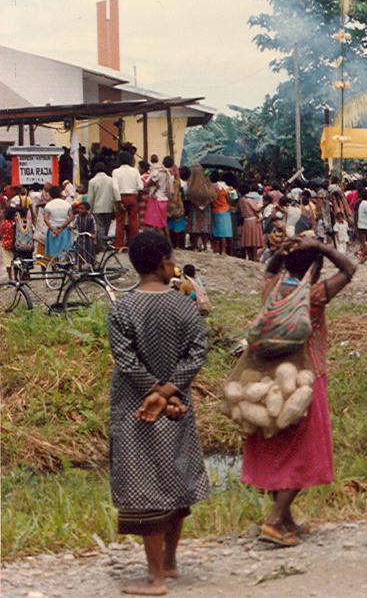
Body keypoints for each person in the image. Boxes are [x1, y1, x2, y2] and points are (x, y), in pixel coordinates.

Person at [107, 231, 210, 595]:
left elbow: (126, 359)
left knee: (145, 485)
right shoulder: (185, 304)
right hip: (177, 406)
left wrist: (154, 392)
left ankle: (155, 579)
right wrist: (170, 391)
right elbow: (198, 352)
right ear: (164, 262)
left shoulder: (122, 307)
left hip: (136, 408)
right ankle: (170, 563)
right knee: (174, 477)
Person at [243, 236, 356, 546]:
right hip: (305, 378)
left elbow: (269, 270)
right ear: (316, 268)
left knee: (278, 446)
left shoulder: (273, 288)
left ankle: (287, 519)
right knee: (304, 450)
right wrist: (323, 249)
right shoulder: (314, 294)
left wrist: (281, 253)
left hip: (269, 379)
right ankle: (275, 522)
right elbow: (350, 269)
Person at [113, 152, 143, 249]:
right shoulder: (135, 171)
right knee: (133, 221)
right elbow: (141, 186)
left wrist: (118, 200)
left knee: (120, 221)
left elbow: (115, 187)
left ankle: (119, 244)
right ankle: (134, 244)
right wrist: (136, 195)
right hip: (132, 196)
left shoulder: (116, 172)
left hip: (121, 196)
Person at [87, 163, 118, 250]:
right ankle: (105, 243)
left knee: (100, 227)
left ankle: (102, 246)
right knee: (106, 226)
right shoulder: (111, 180)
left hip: (97, 208)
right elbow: (115, 195)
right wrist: (114, 209)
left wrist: (89, 210)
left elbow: (90, 198)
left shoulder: (92, 181)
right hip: (109, 207)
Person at [185, 165, 214, 252]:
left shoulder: (190, 182)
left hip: (194, 207)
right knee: (204, 227)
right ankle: (205, 246)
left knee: (195, 227)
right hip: (206, 208)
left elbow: (187, 194)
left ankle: (195, 246)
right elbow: (212, 194)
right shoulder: (207, 182)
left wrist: (195, 201)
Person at [43, 186, 74, 257]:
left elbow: (45, 219)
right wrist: (62, 226)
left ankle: (54, 265)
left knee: (53, 250)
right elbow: (71, 217)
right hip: (64, 230)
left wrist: (52, 229)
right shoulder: (67, 204)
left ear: (50, 194)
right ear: (60, 193)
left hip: (53, 230)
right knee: (64, 250)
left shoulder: (48, 205)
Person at [72, 201, 98, 267]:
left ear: (87, 210)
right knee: (79, 252)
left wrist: (94, 234)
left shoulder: (90, 217)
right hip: (80, 236)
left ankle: (92, 266)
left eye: (82, 209)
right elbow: (74, 225)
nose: (80, 210)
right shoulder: (77, 216)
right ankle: (80, 267)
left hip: (88, 237)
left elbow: (94, 226)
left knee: (89, 252)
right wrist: (71, 227)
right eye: (79, 208)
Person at [0, 208, 14, 280]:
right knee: (15, 260)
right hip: (15, 244)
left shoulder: (4, 223)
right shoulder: (15, 222)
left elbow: (1, 233)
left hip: (6, 244)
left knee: (7, 261)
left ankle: (10, 278)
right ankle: (16, 276)